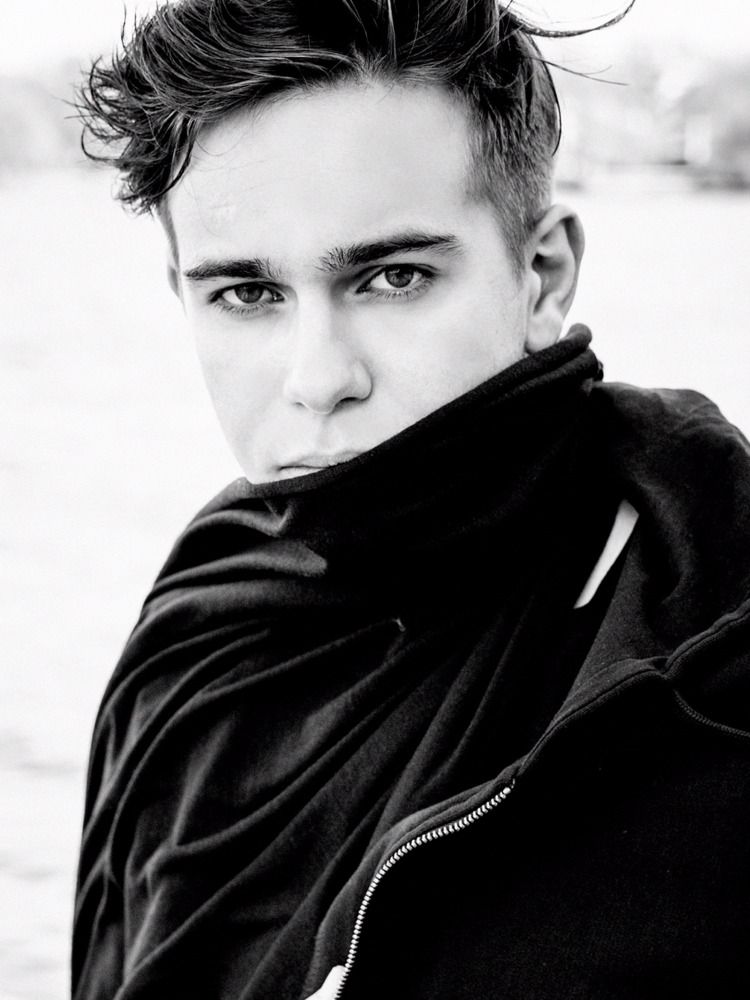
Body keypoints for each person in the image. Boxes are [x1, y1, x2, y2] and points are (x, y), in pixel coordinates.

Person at [73, 2, 750, 998]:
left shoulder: (711, 685)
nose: (318, 378)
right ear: (184, 294)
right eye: (247, 296)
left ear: (543, 275)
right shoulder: (201, 613)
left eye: (393, 277)